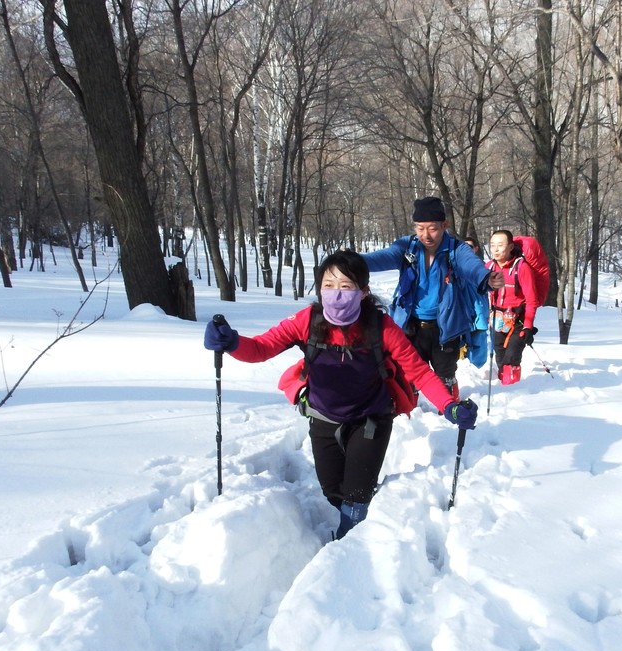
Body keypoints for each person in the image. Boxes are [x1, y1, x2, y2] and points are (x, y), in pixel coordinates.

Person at [203, 250, 478, 539]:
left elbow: (419, 372)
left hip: (371, 418)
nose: (336, 293)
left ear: (363, 292)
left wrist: (449, 406)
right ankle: (355, 510)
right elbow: (261, 348)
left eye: (346, 286)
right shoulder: (307, 320)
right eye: (328, 285)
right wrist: (231, 342)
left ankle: (349, 540)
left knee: (356, 494)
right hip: (323, 416)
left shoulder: (380, 327)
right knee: (332, 489)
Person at [362, 196, 504, 400]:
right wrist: (352, 260)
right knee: (408, 377)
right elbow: (381, 258)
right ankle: (410, 411)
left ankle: (450, 411)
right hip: (411, 328)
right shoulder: (408, 247)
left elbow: (471, 265)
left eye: (432, 228)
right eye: (420, 228)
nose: (426, 235)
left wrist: (487, 277)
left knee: (445, 377)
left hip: (446, 329)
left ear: (444, 225)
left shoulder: (456, 250)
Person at [486, 229, 540, 385]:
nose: (496, 249)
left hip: (518, 320)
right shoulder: (488, 267)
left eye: (500, 245)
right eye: (492, 245)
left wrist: (528, 326)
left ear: (510, 247)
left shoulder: (521, 268)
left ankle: (512, 389)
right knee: (500, 356)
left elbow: (532, 299)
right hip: (497, 319)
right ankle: (502, 385)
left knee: (512, 357)